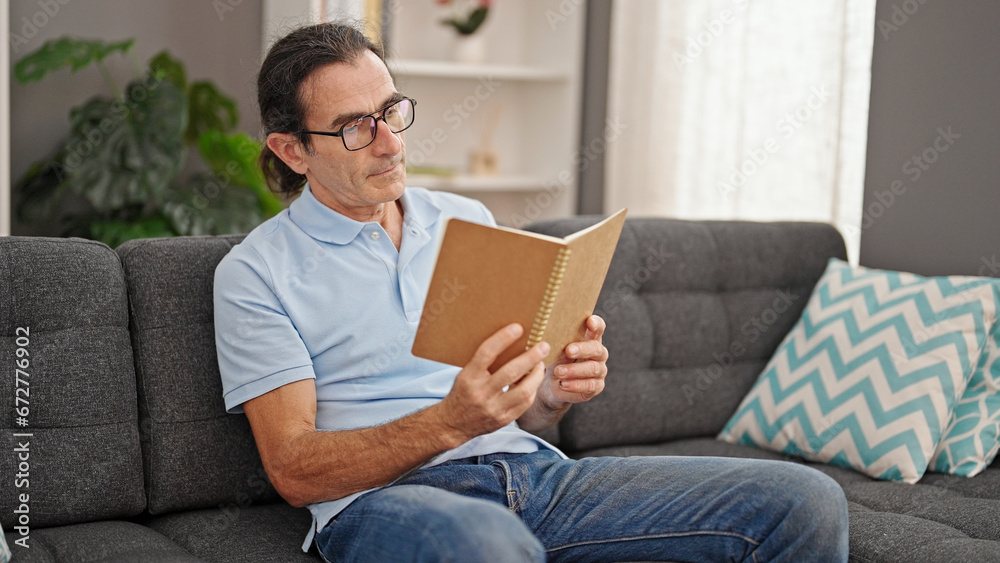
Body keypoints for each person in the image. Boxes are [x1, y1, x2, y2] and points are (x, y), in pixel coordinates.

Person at [213, 21, 850, 562]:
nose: (390, 142)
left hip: (538, 477)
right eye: (356, 128)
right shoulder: (257, 273)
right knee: (488, 543)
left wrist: (549, 395)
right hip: (386, 504)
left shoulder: (465, 221)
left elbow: (525, 414)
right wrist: (448, 423)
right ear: (292, 150)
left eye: (391, 112)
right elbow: (294, 469)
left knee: (805, 502)